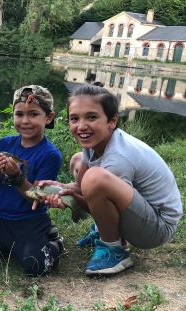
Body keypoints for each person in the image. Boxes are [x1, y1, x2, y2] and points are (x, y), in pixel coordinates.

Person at [40, 84, 183, 275]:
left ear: (112, 120)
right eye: (74, 118)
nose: (81, 126)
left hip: (157, 228)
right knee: (77, 161)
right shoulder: (94, 142)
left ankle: (113, 248)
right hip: (141, 210)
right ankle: (104, 229)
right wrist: (59, 187)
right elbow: (80, 186)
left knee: (95, 178)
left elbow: (92, 195)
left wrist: (70, 199)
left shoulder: (118, 157)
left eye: (91, 117)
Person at [0, 85, 64, 276]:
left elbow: (37, 198)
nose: (25, 121)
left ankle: (55, 243)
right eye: (19, 114)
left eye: (33, 114)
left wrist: (16, 177)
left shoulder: (51, 155)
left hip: (30, 220)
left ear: (49, 117)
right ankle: (14, 247)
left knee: (35, 266)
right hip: (0, 218)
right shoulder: (4, 144)